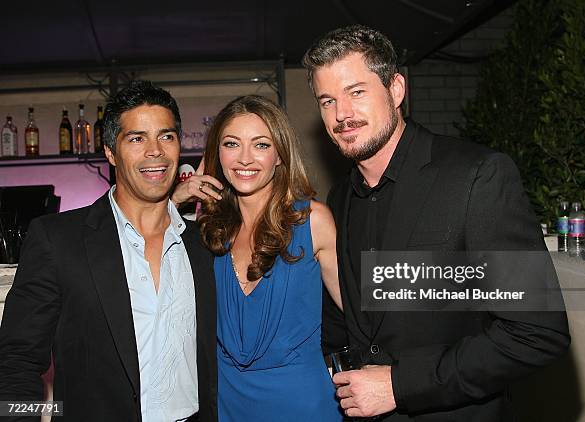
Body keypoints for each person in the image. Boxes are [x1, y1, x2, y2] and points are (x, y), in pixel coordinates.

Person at [302, 25, 571, 421]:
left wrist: (400, 384)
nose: (341, 114)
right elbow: (354, 315)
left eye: (356, 92)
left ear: (396, 89)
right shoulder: (341, 197)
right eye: (327, 101)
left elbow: (536, 333)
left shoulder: (477, 176)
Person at [0, 80, 217, 422]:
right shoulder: (58, 240)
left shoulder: (205, 244)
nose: (155, 151)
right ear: (111, 153)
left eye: (166, 136)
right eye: (136, 138)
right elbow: (16, 363)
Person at [172, 94, 343, 421]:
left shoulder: (313, 221)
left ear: (280, 154)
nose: (245, 158)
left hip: (305, 406)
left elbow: (363, 315)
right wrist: (176, 199)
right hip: (227, 405)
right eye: (232, 144)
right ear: (216, 155)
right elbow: (132, 253)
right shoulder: (207, 231)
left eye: (261, 145)